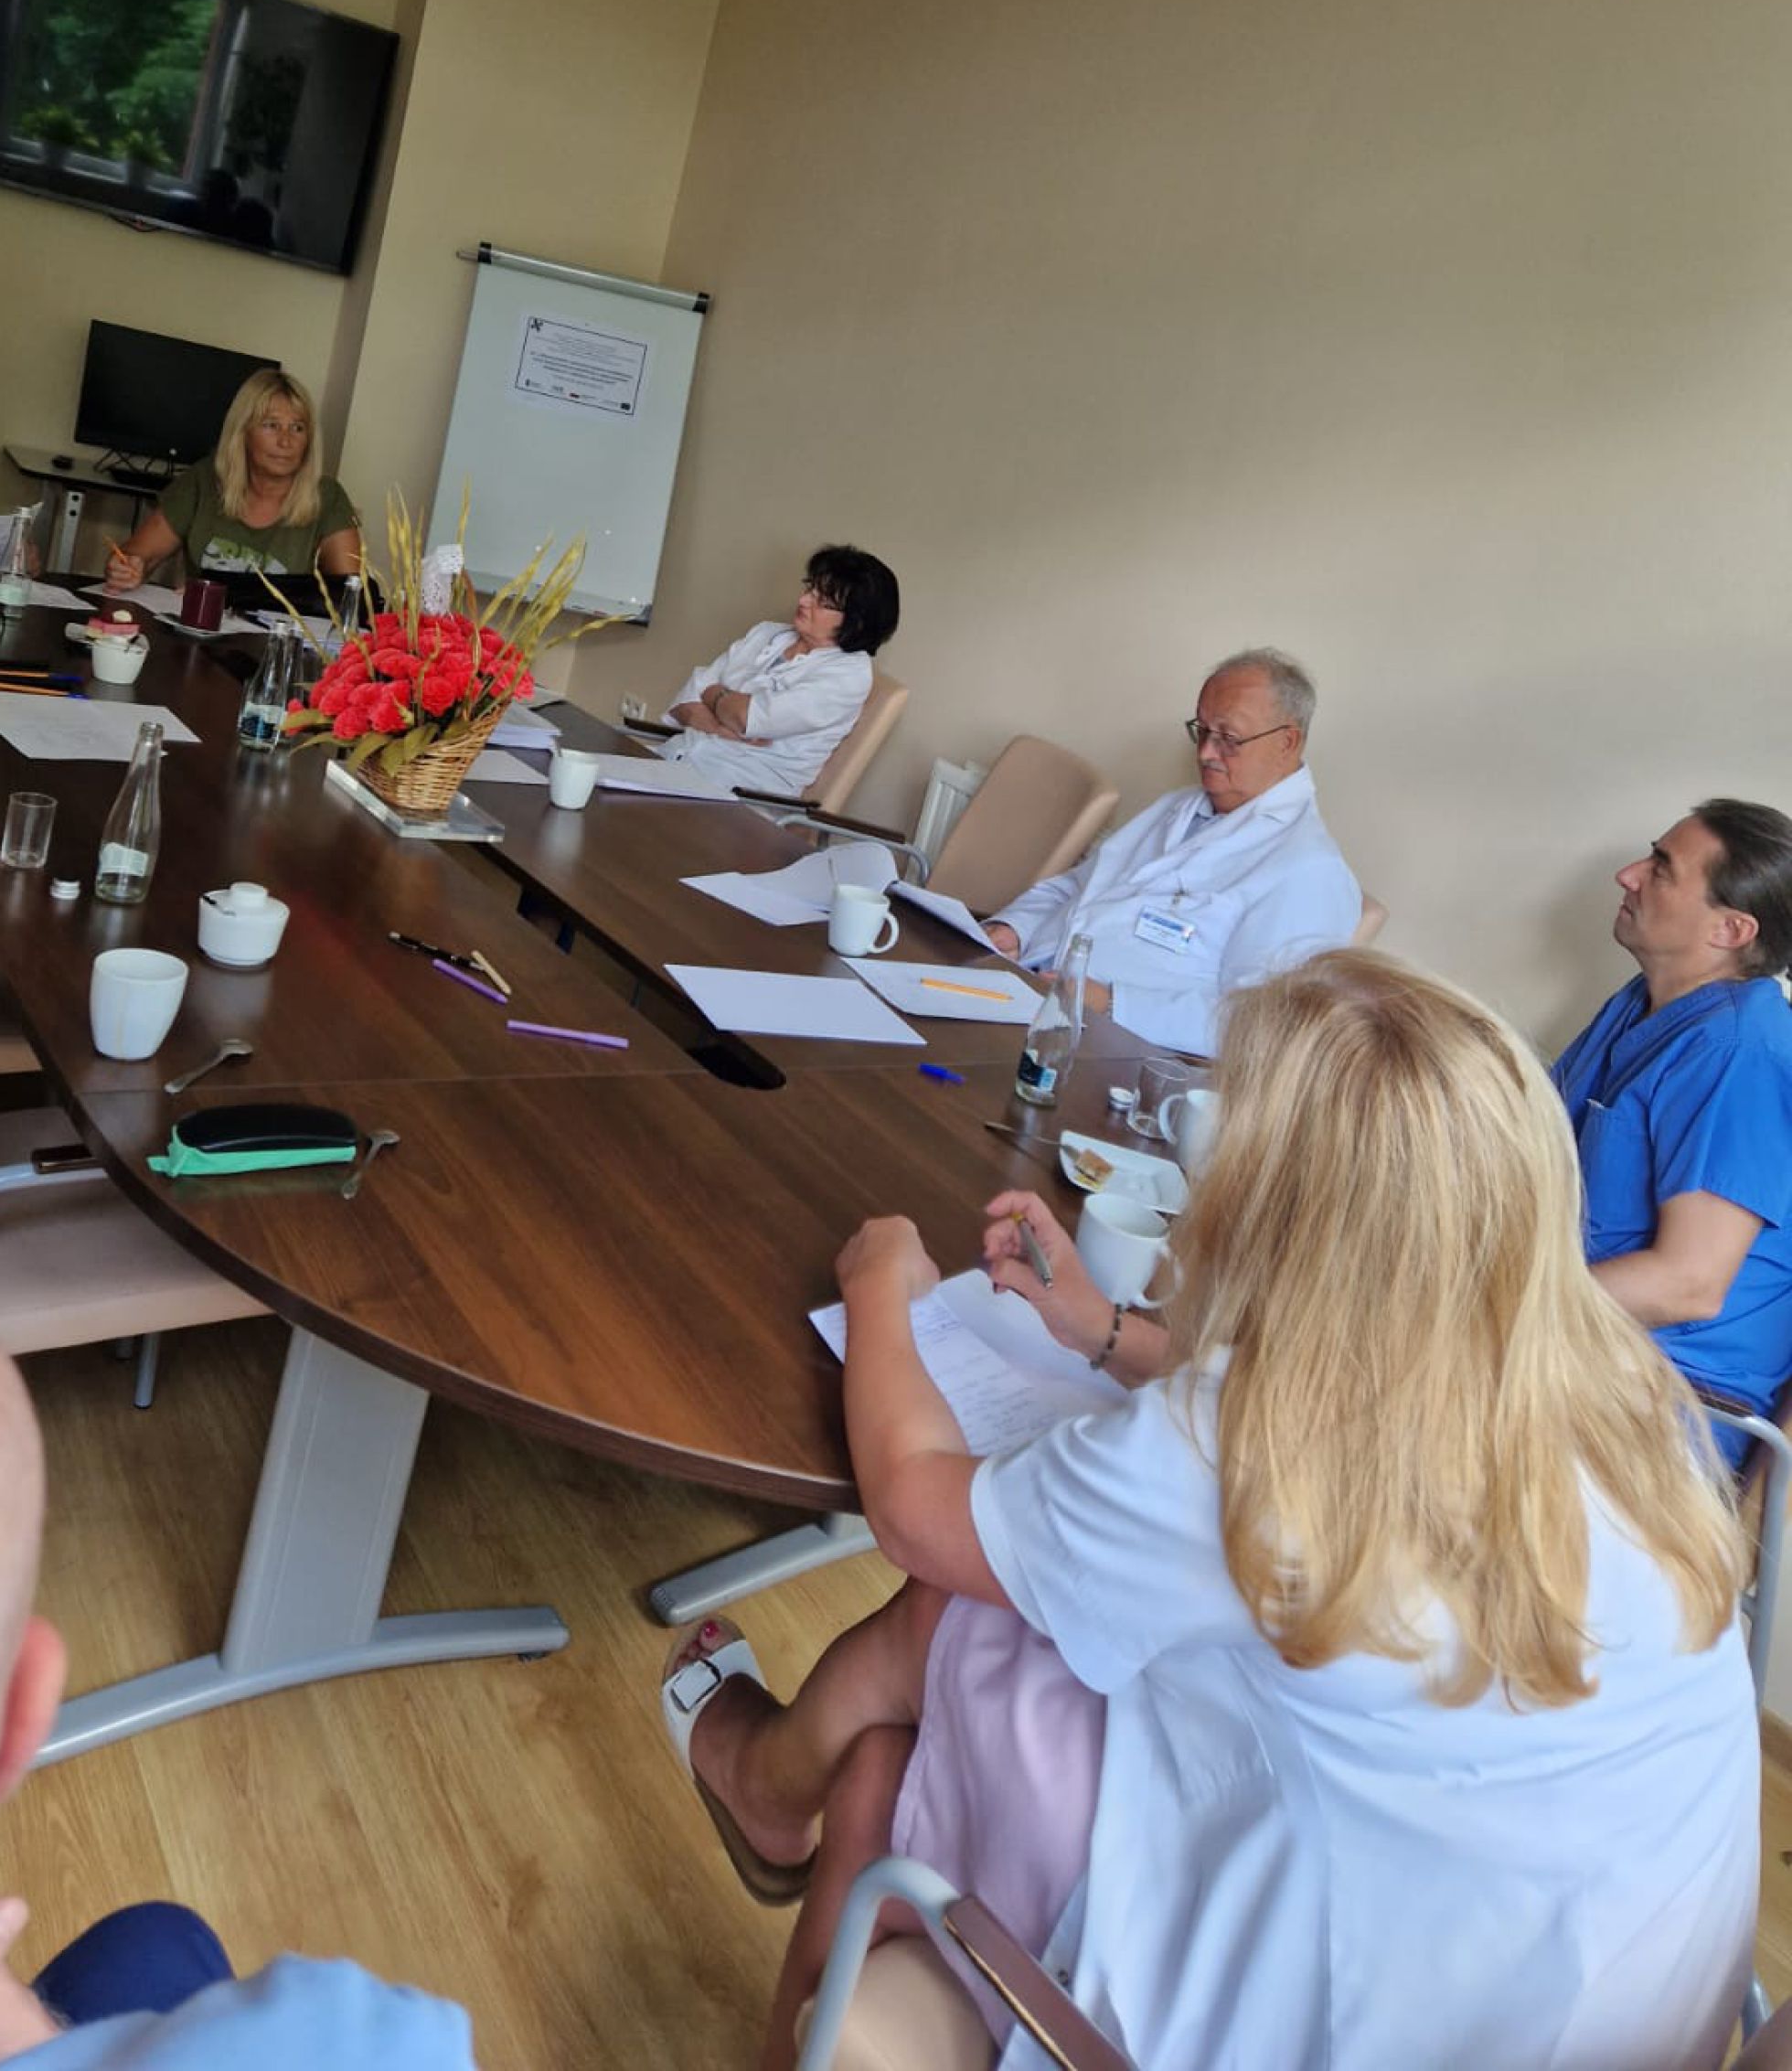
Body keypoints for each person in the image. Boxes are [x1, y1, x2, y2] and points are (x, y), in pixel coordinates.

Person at [662, 950, 1756, 2071]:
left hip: (1323, 2016)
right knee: (903, 1742)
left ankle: (766, 1783)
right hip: (1596, 1992)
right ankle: (775, 1798)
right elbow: (1360, 1363)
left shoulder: (1258, 1442)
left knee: (957, 1617)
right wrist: (1102, 1330)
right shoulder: (1618, 1400)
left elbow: (911, 1509)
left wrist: (878, 1285)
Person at [0, 1197, 481, 2070]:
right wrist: (33, 2050)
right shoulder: (350, 2043)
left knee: (154, 1941)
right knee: (162, 1941)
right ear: (13, 1723)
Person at [1554, 798, 1792, 1446]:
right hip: (1573, 1346)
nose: (1628, 874)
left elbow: (1688, 1285)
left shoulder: (1739, 1054)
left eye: (1661, 868)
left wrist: (1491, 1306)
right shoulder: (1640, 1004)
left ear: (1731, 930)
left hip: (1659, 1399)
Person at [984, 646, 1359, 1051]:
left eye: (1228, 738)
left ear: (1287, 742)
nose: (1206, 752)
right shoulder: (1176, 808)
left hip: (1119, 1049)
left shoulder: (1310, 871)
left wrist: (1112, 1003)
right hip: (1031, 992)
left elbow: (1264, 1026)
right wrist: (1016, 929)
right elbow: (1076, 888)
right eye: (1202, 730)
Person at [658, 545, 900, 799]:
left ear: (856, 621)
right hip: (675, 759)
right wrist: (718, 725)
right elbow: (685, 702)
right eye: (810, 589)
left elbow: (745, 718)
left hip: (736, 794)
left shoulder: (849, 675)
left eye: (823, 602)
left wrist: (713, 694)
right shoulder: (767, 633)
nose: (803, 601)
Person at [104, 368, 360, 588]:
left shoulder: (328, 498)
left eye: (298, 428)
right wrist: (127, 568)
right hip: (201, 628)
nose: (286, 441)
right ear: (242, 432)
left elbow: (352, 595)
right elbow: (140, 555)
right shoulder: (203, 480)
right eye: (271, 425)